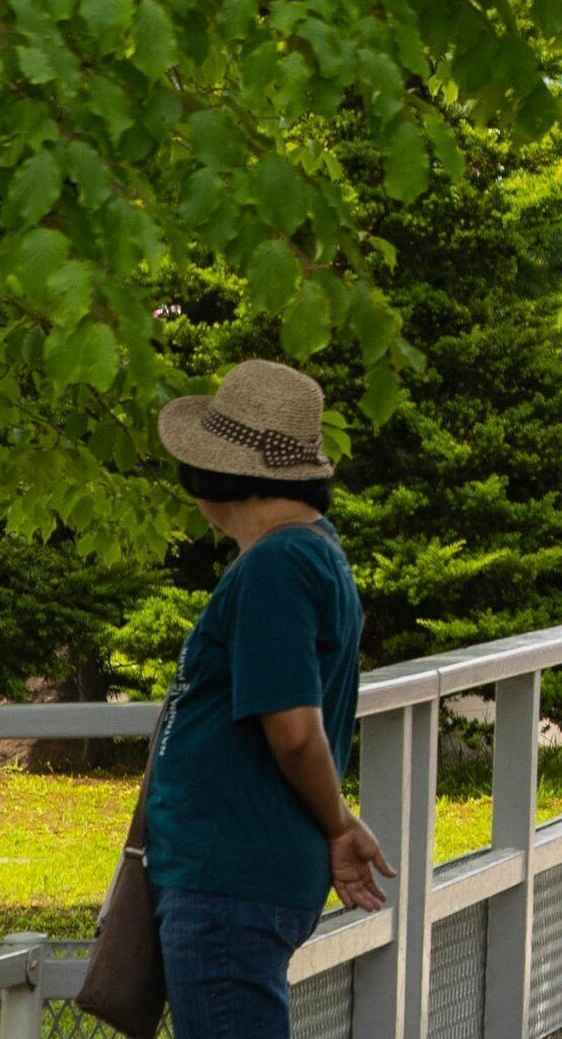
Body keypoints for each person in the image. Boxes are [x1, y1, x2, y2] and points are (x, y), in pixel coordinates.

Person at [147, 360, 388, 1039]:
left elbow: (293, 729)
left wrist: (340, 823)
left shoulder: (277, 566)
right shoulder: (312, 552)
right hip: (239, 876)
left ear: (218, 475)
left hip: (230, 880)